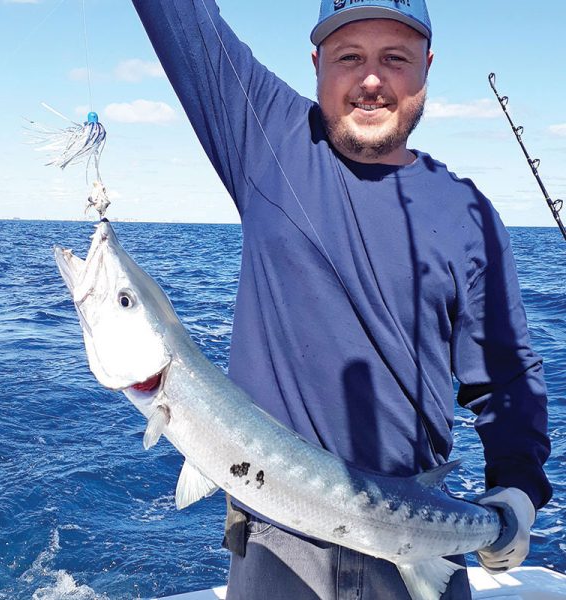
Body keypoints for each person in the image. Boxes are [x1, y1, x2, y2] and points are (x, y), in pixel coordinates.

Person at [131, 1, 552, 598]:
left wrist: (517, 487)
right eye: (349, 57)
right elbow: (180, 18)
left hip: (423, 530)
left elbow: (506, 376)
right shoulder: (265, 137)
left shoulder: (469, 213)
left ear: (426, 69)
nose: (372, 79)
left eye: (395, 59)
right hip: (279, 542)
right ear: (317, 65)